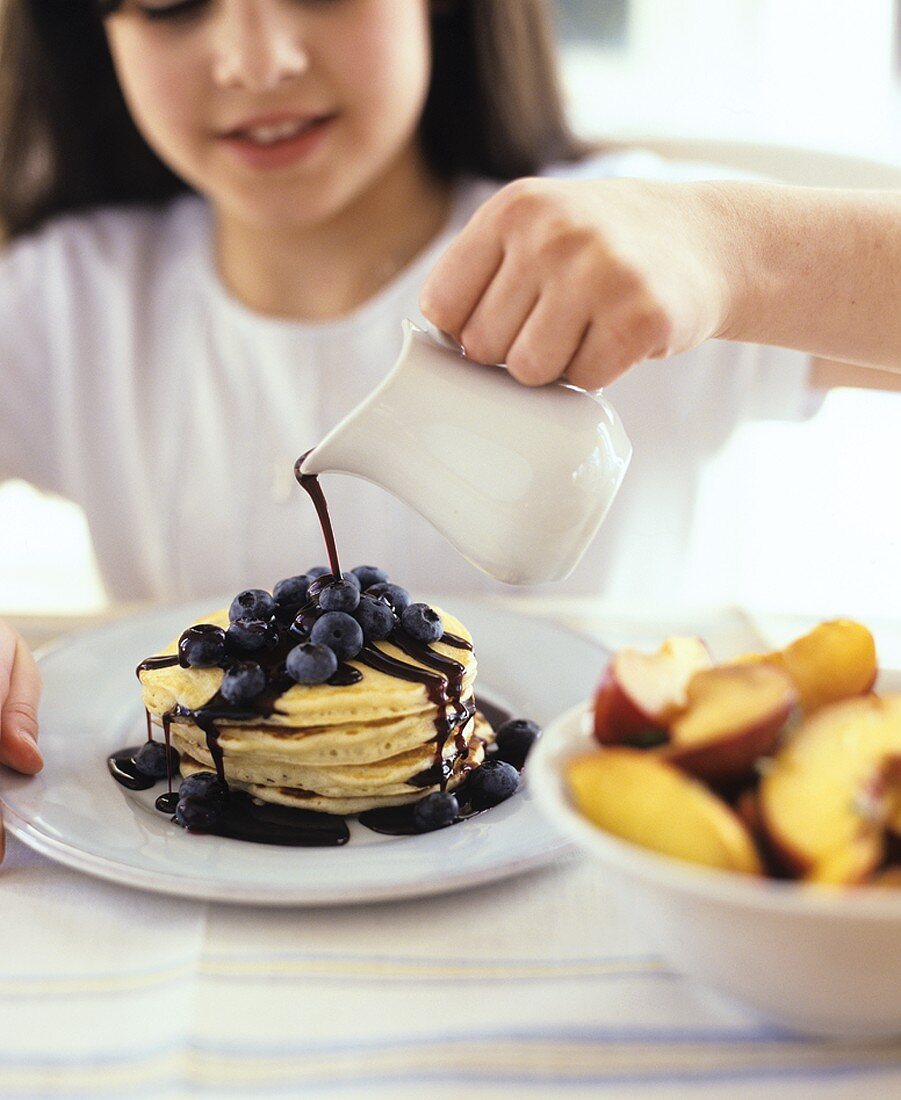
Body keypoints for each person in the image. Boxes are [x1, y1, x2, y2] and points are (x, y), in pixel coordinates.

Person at [0, 0, 898, 853]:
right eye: (170, 3)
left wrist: (738, 254)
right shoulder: (67, 299)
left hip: (614, 887)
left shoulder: (612, 259)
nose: (257, 58)